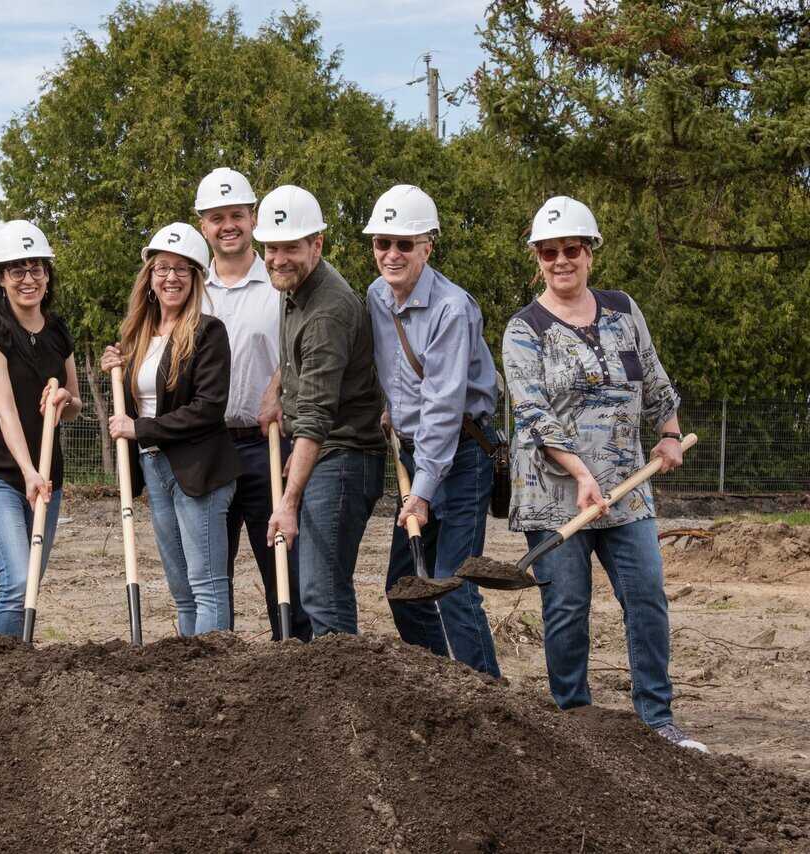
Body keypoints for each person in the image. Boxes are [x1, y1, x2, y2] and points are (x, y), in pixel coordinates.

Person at [503, 195, 703, 751]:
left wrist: (668, 433)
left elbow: (654, 380)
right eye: (548, 252)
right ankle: (576, 723)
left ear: (590, 252)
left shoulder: (622, 310)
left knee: (647, 597)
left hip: (626, 488)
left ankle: (657, 720)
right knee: (567, 607)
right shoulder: (524, 329)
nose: (560, 261)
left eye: (571, 249)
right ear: (537, 258)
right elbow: (533, 412)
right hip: (554, 496)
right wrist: (580, 474)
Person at [363, 184, 502, 677]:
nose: (392, 254)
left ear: (428, 246)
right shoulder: (376, 296)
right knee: (404, 590)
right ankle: (443, 685)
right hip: (412, 454)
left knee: (453, 586)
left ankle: (487, 697)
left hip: (462, 457)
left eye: (405, 244)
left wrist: (420, 495)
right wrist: (393, 411)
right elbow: (389, 368)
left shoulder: (452, 309)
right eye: (383, 243)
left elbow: (443, 407)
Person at [256, 186, 387, 637]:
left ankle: (346, 681)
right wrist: (276, 390)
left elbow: (315, 417)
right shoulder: (291, 286)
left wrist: (288, 502)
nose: (279, 259)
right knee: (316, 589)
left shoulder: (328, 311)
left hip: (344, 455)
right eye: (271, 248)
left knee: (321, 592)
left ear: (317, 244)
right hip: (325, 450)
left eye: (291, 247)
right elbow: (299, 361)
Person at [101, 223, 240, 637]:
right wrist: (117, 370)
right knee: (181, 590)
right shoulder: (137, 336)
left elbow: (208, 409)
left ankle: (213, 667)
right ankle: (187, 669)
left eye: (182, 269)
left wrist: (140, 428)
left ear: (196, 278)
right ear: (150, 277)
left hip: (199, 471)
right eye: (162, 268)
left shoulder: (207, 331)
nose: (171, 277)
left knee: (206, 583)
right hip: (155, 467)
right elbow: (137, 403)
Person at [195, 167, 312, 642]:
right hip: (209, 448)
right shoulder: (192, 288)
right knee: (211, 579)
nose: (228, 226)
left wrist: (281, 383)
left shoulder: (281, 281)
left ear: (253, 217)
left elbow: (305, 347)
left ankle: (294, 658)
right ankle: (218, 668)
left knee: (284, 571)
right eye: (217, 217)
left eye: (237, 215)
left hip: (269, 447)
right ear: (203, 225)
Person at [0, 221, 82, 638]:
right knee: (16, 582)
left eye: (36, 269)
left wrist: (63, 399)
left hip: (48, 478)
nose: (28, 279)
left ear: (48, 275)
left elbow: (75, 404)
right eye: (17, 270)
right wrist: (29, 471)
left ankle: (19, 668)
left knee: (29, 587)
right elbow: (6, 412)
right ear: (1, 278)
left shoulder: (57, 330)